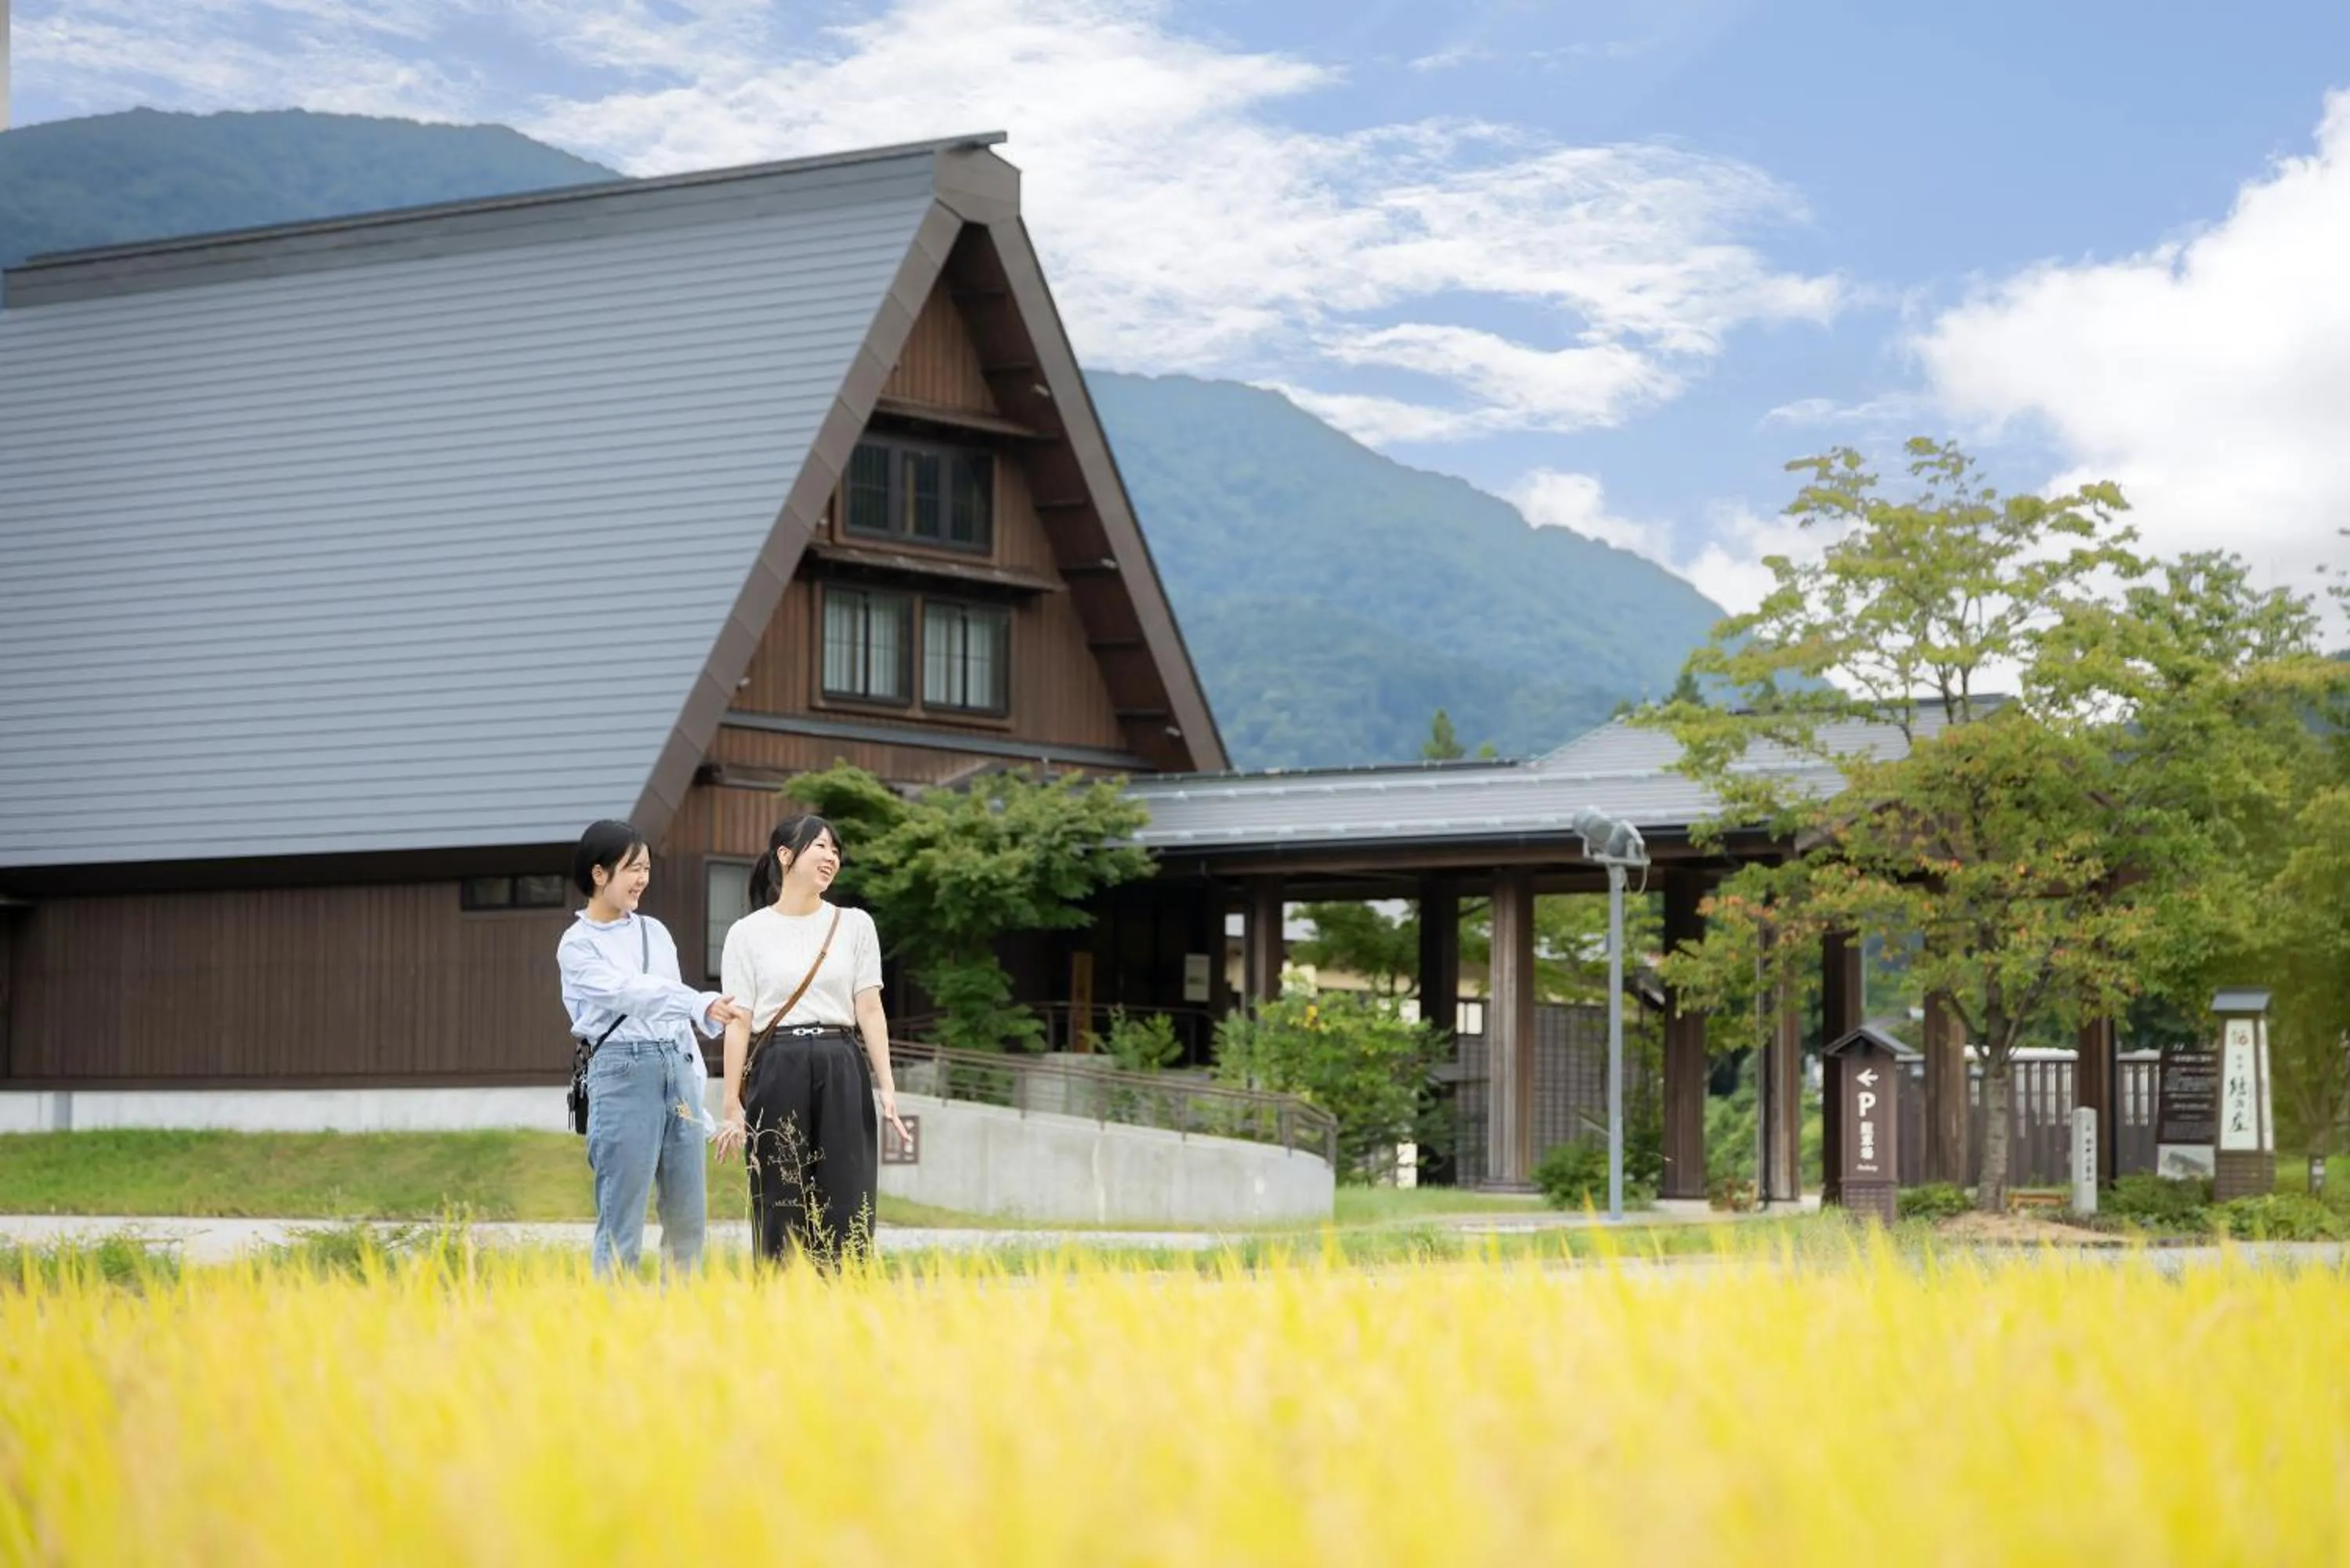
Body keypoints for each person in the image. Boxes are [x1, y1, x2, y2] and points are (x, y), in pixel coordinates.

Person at [714, 814, 910, 1268]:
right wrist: (730, 1103)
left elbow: (870, 1009)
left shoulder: (855, 924)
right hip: (778, 1064)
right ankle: (781, 1307)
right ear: (786, 856)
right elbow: (739, 1020)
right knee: (779, 1195)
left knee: (848, 1191)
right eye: (820, 846)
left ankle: (844, 1305)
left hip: (841, 1061)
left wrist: (888, 1086)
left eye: (836, 850)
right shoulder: (746, 934)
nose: (831, 857)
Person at [555, 819, 743, 1279]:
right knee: (622, 1221)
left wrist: (700, 1106)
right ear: (599, 874)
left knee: (688, 1221)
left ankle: (677, 1329)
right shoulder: (576, 946)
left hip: (673, 1067)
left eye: (646, 868)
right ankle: (615, 1331)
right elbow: (631, 993)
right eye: (632, 868)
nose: (643, 878)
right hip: (622, 1072)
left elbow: (676, 1023)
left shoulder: (655, 932)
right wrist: (699, 1002)